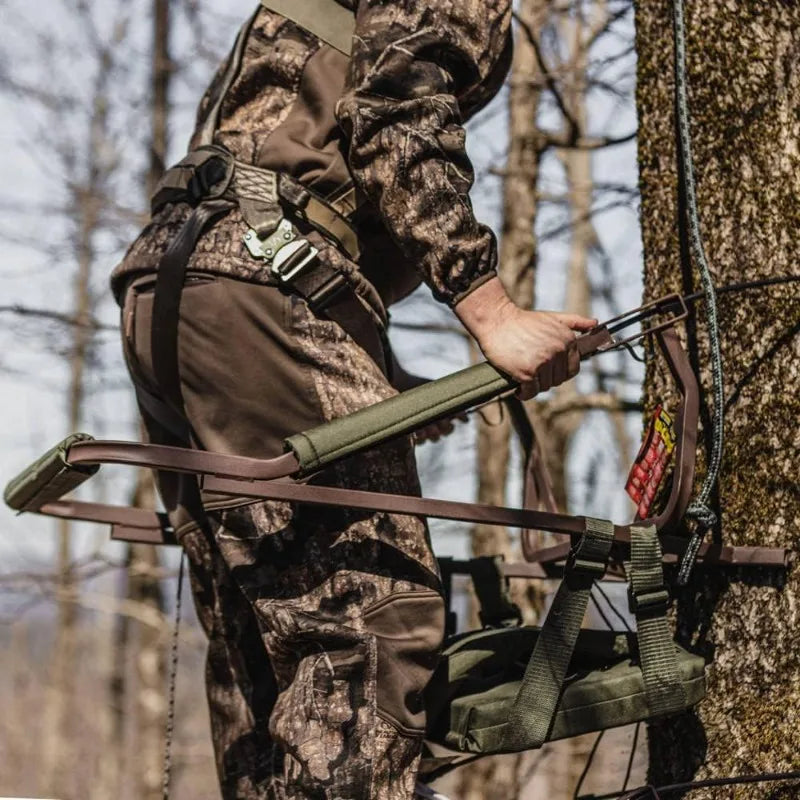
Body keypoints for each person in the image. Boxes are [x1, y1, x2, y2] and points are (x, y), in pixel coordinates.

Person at [112, 2, 596, 798]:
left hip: (175, 281)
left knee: (264, 642)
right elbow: (394, 104)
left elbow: (287, 138)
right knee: (369, 634)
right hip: (259, 277)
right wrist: (492, 312)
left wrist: (382, 378)